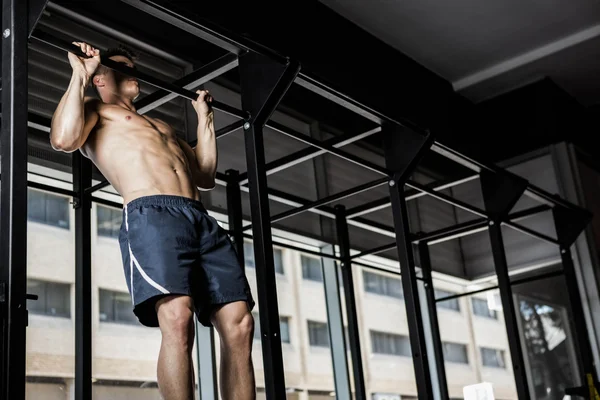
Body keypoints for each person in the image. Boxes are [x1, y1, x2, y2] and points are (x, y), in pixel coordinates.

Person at [49, 41, 257, 400]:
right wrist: (80, 75)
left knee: (240, 325)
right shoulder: (94, 109)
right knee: (178, 320)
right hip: (152, 214)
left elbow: (205, 175)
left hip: (199, 218)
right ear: (101, 78)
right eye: (124, 67)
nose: (134, 72)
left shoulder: (162, 124)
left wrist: (204, 119)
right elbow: (63, 139)